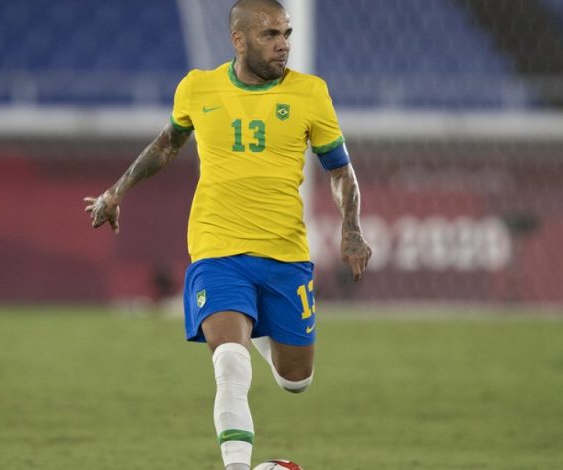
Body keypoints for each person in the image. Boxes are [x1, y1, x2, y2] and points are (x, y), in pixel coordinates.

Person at [84, 0, 372, 468]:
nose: (283, 45)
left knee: (296, 380)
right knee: (230, 365)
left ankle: (253, 325)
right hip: (216, 248)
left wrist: (352, 227)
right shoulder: (198, 87)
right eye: (270, 35)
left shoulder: (310, 93)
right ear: (239, 40)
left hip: (284, 253)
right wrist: (116, 192)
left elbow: (340, 170)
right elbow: (166, 145)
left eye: (286, 33)